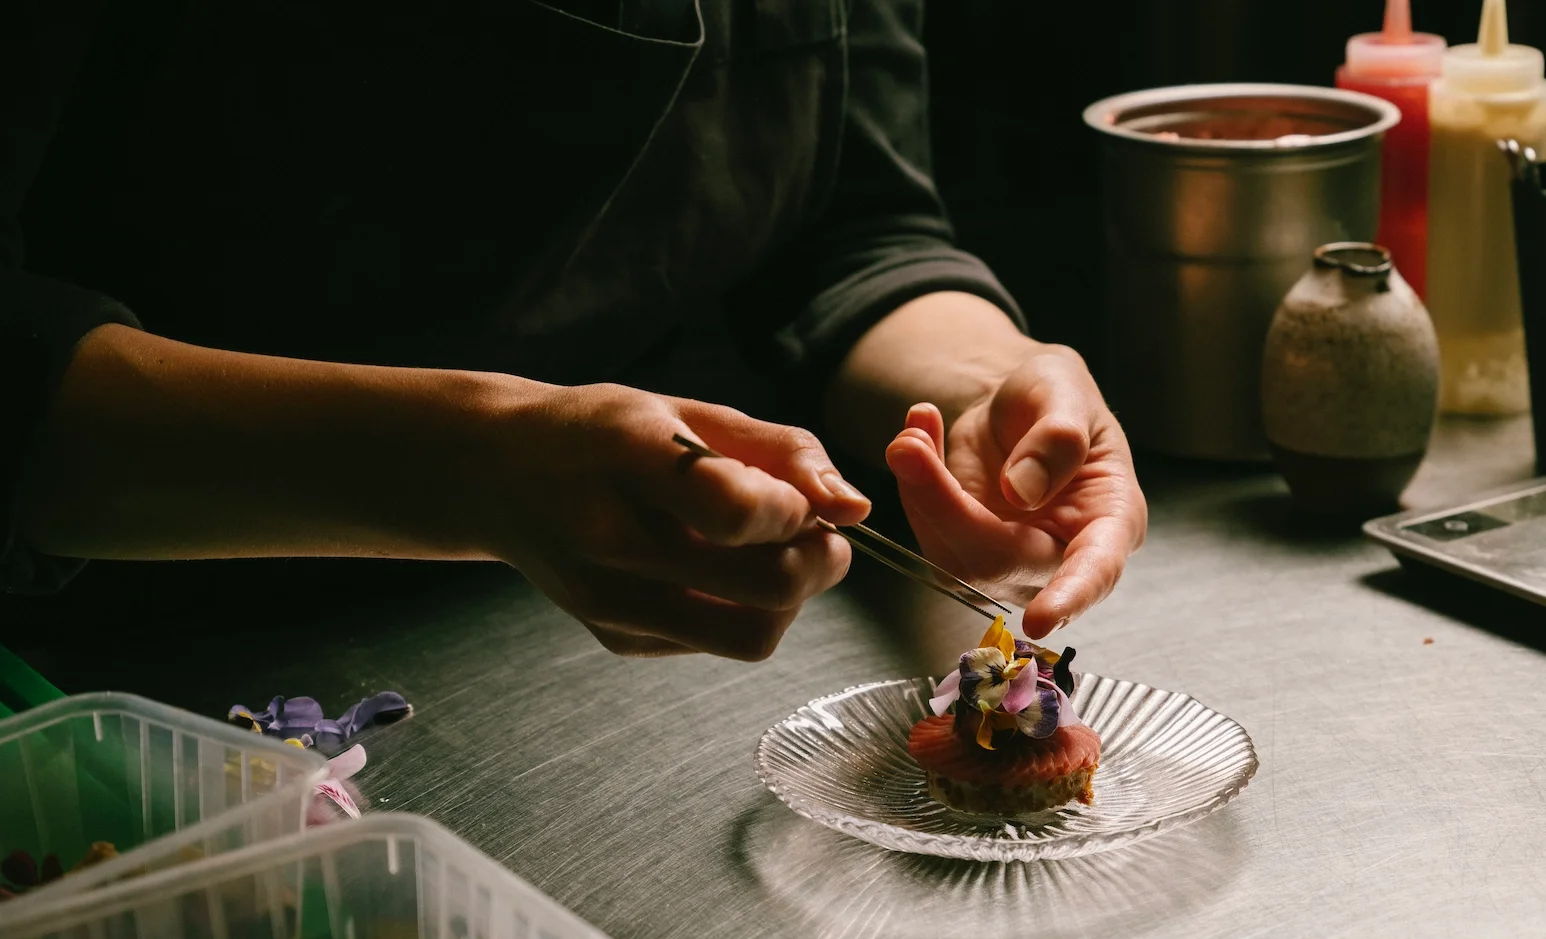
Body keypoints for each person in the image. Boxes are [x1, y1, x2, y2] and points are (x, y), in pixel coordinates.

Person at [1, 0, 1145, 660]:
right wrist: (470, 464)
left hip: (571, 647)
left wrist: (984, 385)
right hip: (136, 685)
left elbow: (856, 222)